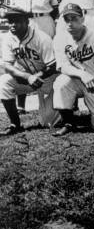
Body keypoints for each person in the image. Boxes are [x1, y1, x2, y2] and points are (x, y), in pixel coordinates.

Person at [52, 3, 94, 136]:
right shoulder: (59, 38)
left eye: (74, 19)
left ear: (82, 19)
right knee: (60, 82)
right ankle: (68, 123)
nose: (70, 23)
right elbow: (63, 66)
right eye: (67, 19)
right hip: (75, 80)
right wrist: (82, 74)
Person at [0, 7, 60, 135]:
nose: (12, 25)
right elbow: (7, 66)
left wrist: (37, 76)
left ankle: (63, 105)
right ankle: (15, 124)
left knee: (47, 122)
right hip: (30, 79)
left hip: (50, 80)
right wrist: (27, 77)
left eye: (17, 21)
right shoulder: (8, 38)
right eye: (10, 21)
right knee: (4, 82)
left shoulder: (42, 38)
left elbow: (53, 65)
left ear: (27, 22)